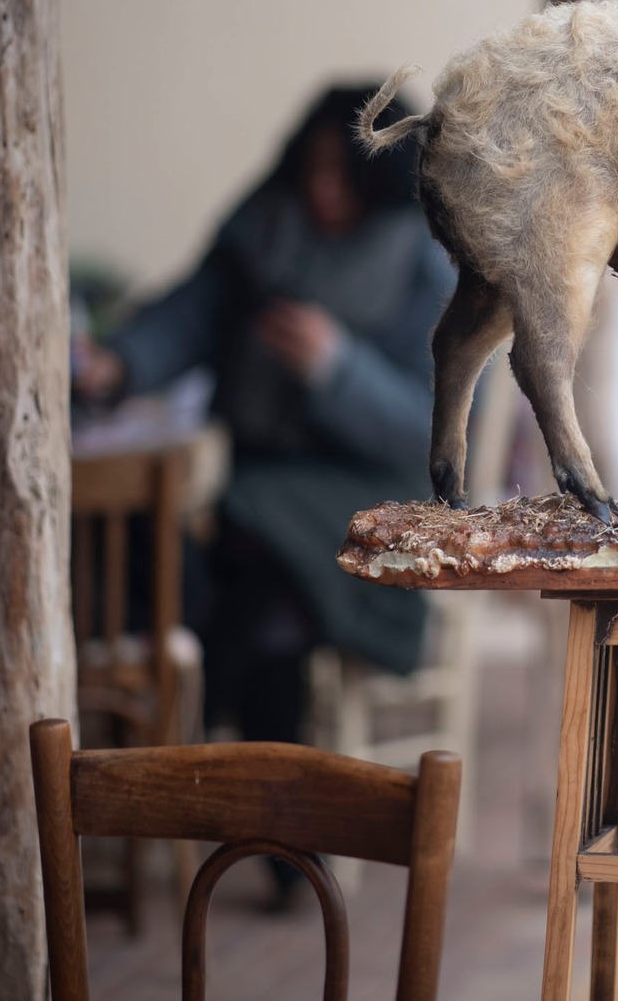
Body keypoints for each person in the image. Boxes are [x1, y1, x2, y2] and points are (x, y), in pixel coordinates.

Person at [74, 82, 453, 770]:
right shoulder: (264, 229)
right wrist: (117, 363)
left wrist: (337, 368)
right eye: (313, 167)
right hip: (255, 484)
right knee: (227, 570)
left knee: (254, 576)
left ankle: (197, 760)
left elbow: (433, 432)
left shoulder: (428, 266)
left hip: (372, 494)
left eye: (344, 172)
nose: (323, 189)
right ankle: (261, 807)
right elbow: (191, 310)